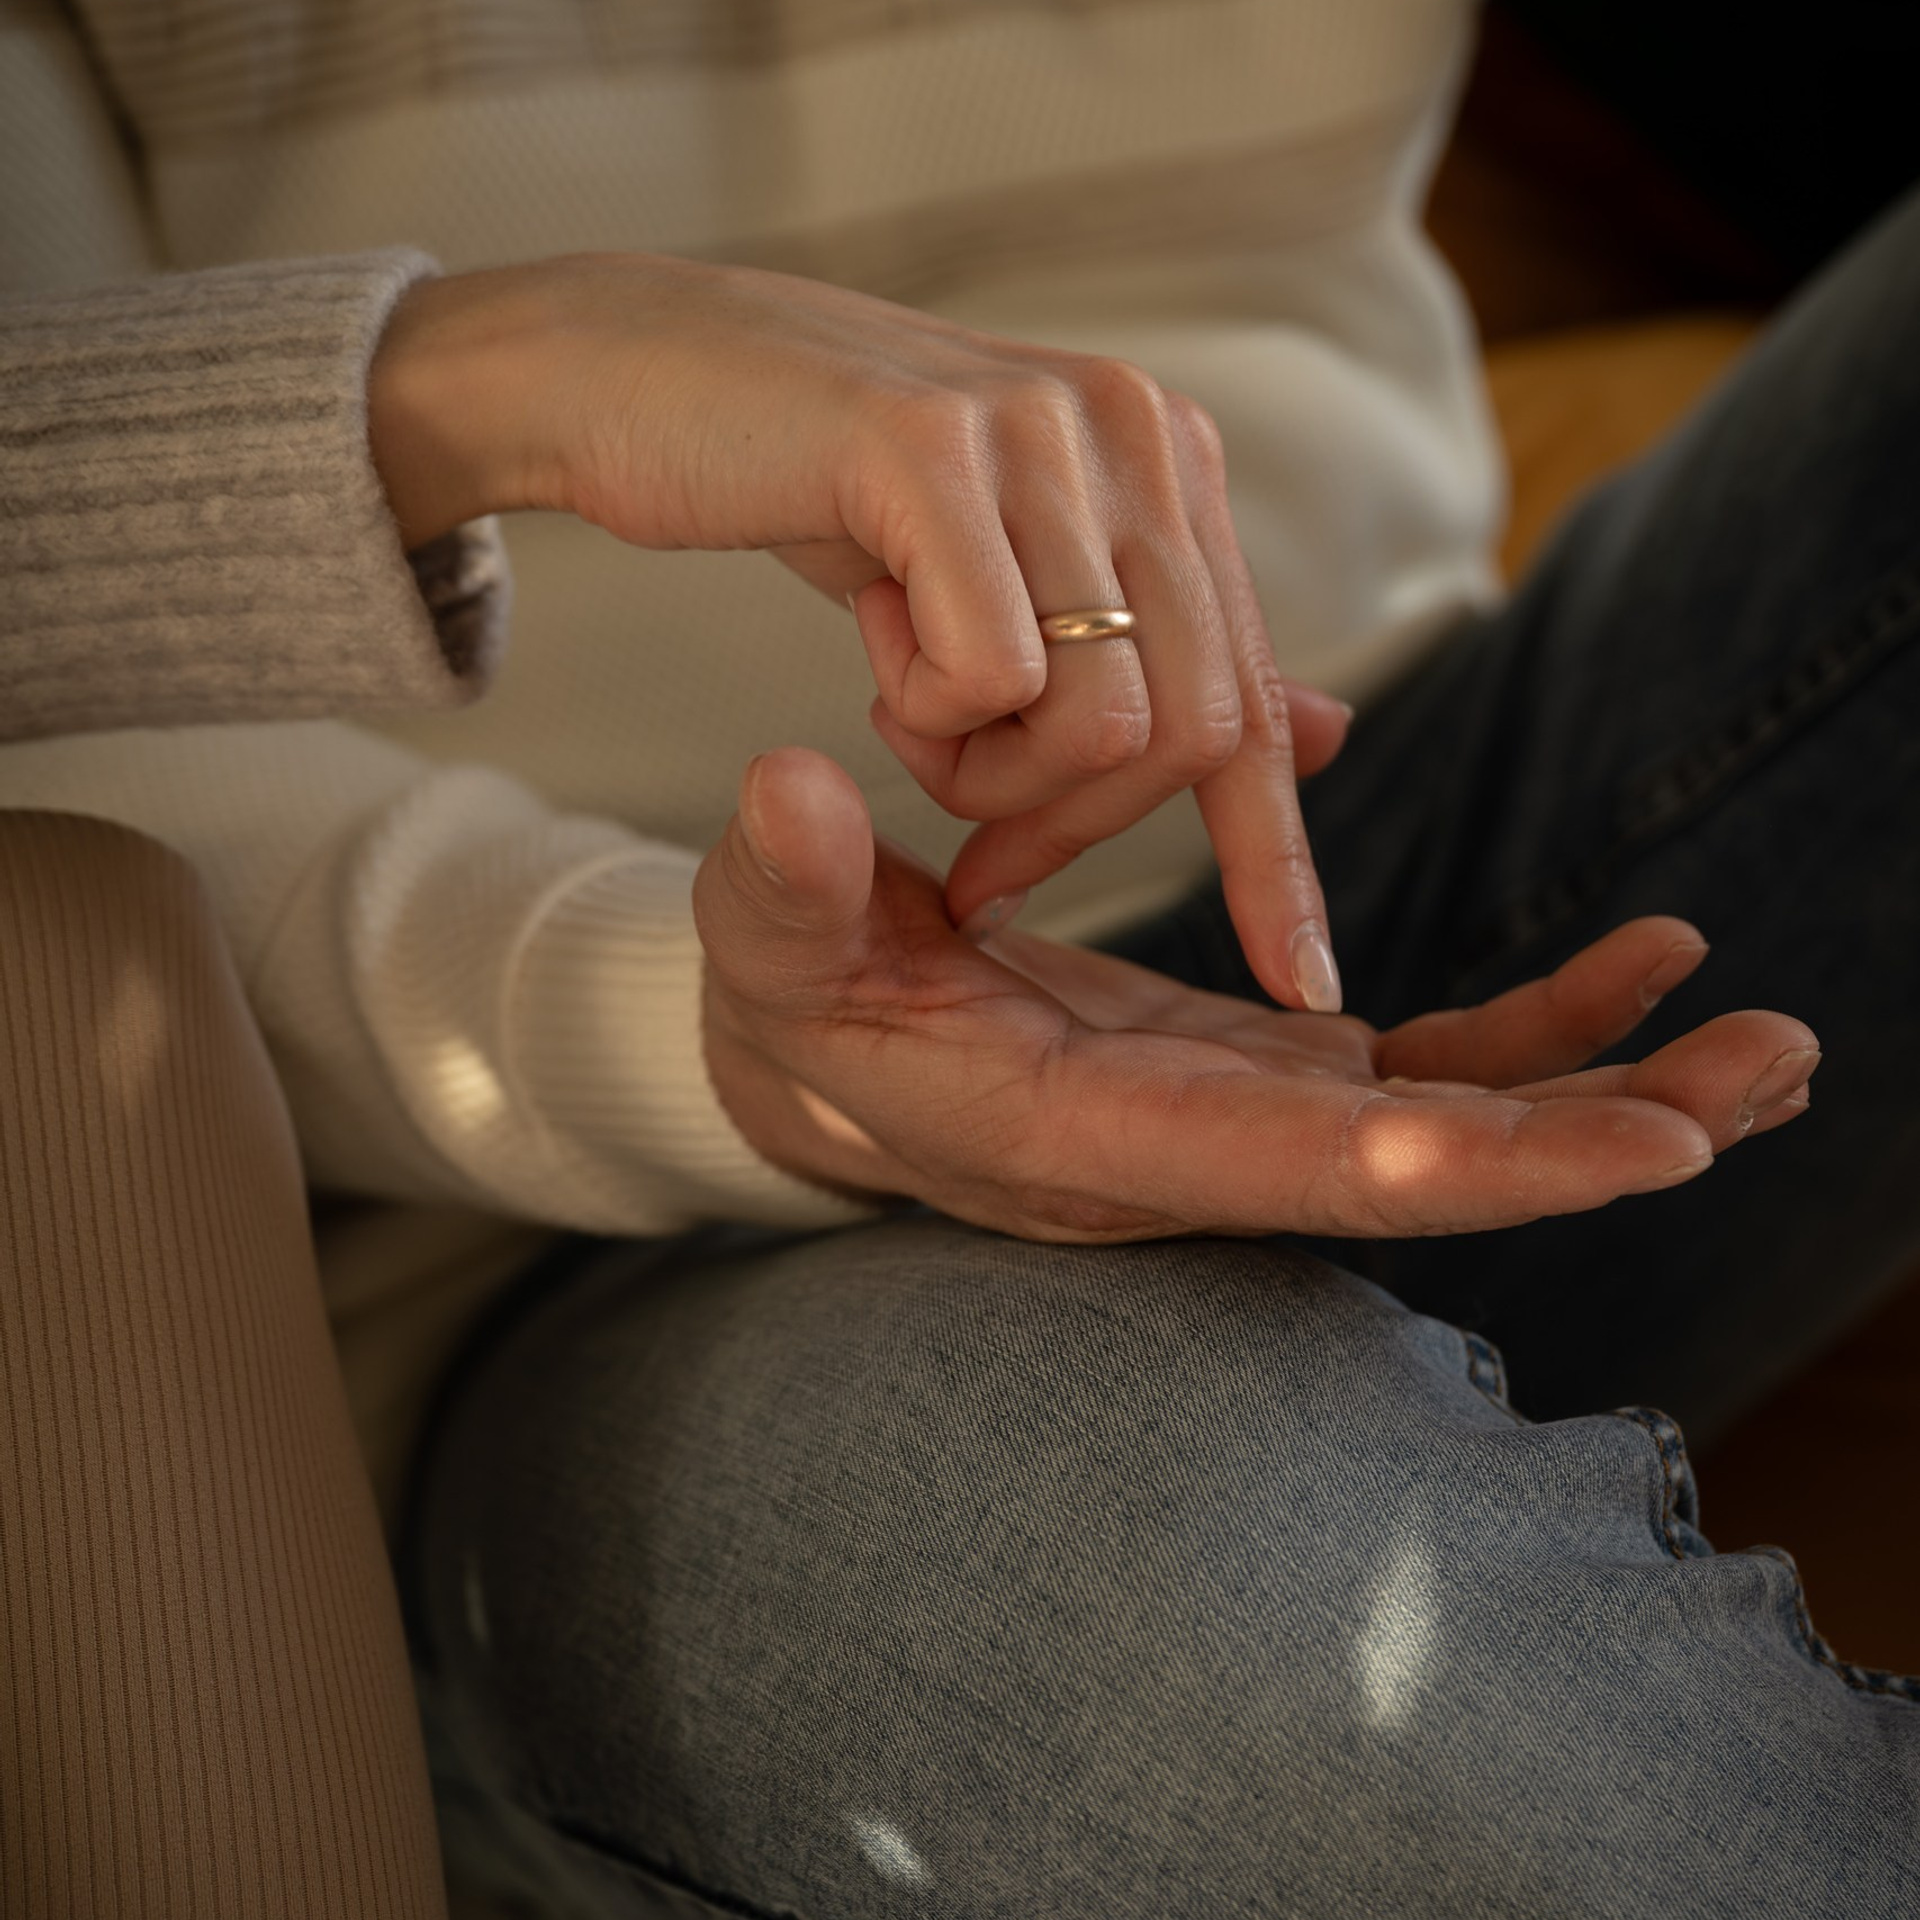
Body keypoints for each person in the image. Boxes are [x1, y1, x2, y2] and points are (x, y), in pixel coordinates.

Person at [1, 3, 1916, 1916]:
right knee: (1366, 1726)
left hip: (1414, 838)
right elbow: (56, 727)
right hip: (543, 1187)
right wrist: (740, 1047)